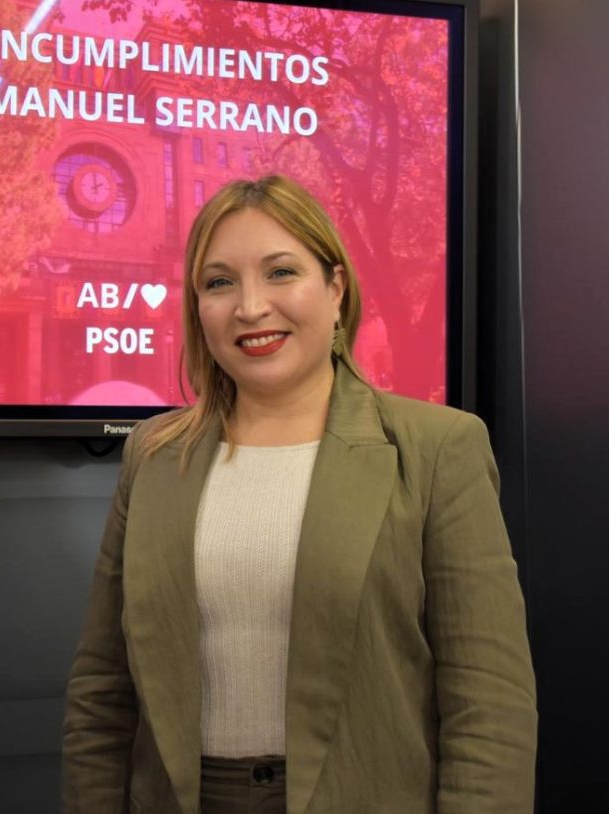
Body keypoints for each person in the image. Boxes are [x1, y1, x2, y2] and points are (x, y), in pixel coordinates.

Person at [61, 175, 536, 814]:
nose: (251, 307)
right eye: (220, 282)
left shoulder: (438, 447)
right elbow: (101, 691)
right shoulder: (152, 454)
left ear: (335, 288)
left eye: (281, 272)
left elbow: (489, 700)